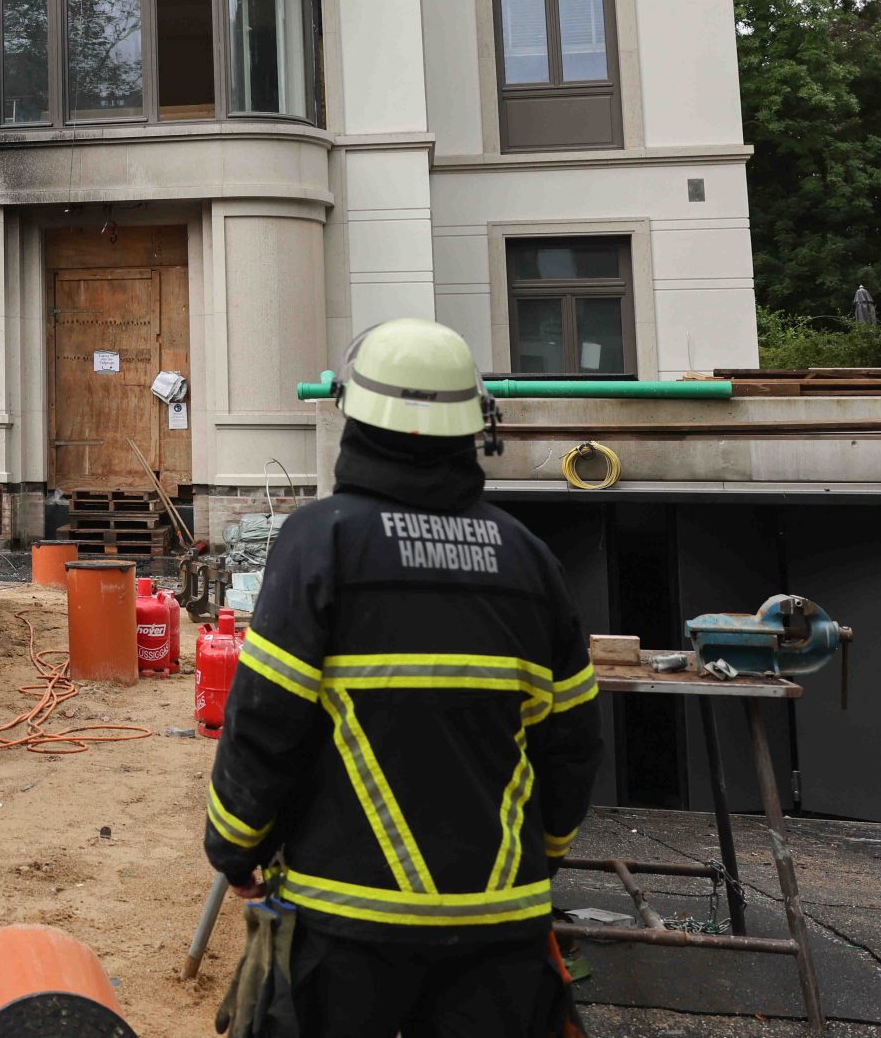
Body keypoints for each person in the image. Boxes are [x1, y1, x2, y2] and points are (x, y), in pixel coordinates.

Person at [202, 318, 601, 1038]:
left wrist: (236, 847)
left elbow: (264, 719)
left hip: (349, 924)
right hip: (499, 928)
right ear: (474, 429)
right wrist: (536, 859)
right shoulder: (529, 559)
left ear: (355, 416)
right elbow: (571, 741)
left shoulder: (318, 543)